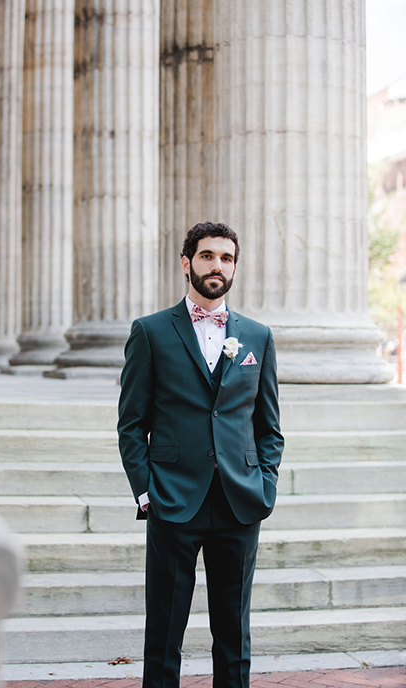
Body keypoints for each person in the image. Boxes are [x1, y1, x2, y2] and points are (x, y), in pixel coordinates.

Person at [118, 221, 284, 688]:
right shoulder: (150, 332)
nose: (218, 266)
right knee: (165, 631)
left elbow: (268, 426)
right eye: (208, 256)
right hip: (173, 499)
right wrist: (145, 491)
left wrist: (264, 482)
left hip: (239, 500)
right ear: (187, 262)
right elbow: (131, 423)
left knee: (234, 631)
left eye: (227, 258)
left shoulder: (258, 336)